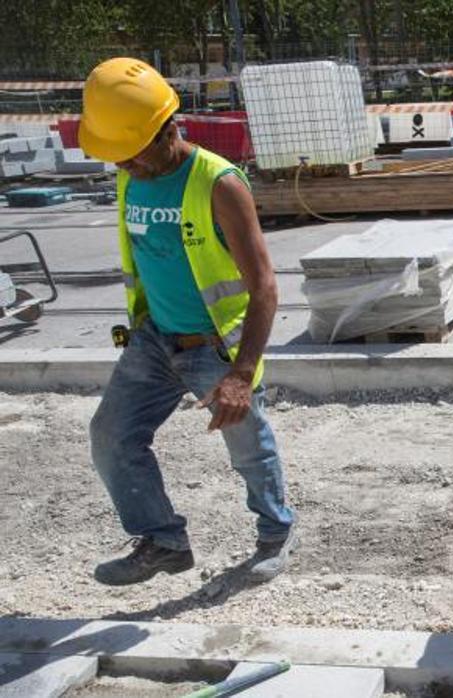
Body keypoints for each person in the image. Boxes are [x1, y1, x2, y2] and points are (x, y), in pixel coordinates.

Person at [80, 58, 295, 586]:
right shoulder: (131, 180)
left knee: (249, 446)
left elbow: (265, 285)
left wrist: (241, 374)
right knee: (112, 436)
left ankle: (275, 533)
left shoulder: (219, 183)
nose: (123, 165)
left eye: (131, 154)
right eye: (117, 157)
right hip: (155, 339)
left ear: (166, 131)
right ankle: (163, 541)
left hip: (214, 347)